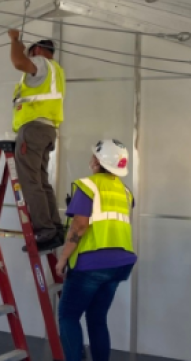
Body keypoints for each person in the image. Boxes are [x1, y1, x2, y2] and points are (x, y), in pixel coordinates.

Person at [56, 139, 136, 361]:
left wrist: (63, 258)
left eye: (94, 155)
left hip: (92, 263)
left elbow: (80, 225)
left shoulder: (88, 185)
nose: (90, 158)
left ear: (99, 161)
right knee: (97, 318)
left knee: (68, 316)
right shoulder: (124, 191)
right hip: (119, 263)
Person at [8, 28, 67, 251]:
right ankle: (54, 228)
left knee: (31, 182)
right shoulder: (56, 71)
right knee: (41, 182)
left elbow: (18, 62)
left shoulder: (41, 63)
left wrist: (15, 40)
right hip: (47, 130)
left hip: (33, 130)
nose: (29, 55)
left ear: (39, 50)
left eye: (31, 52)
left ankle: (45, 231)